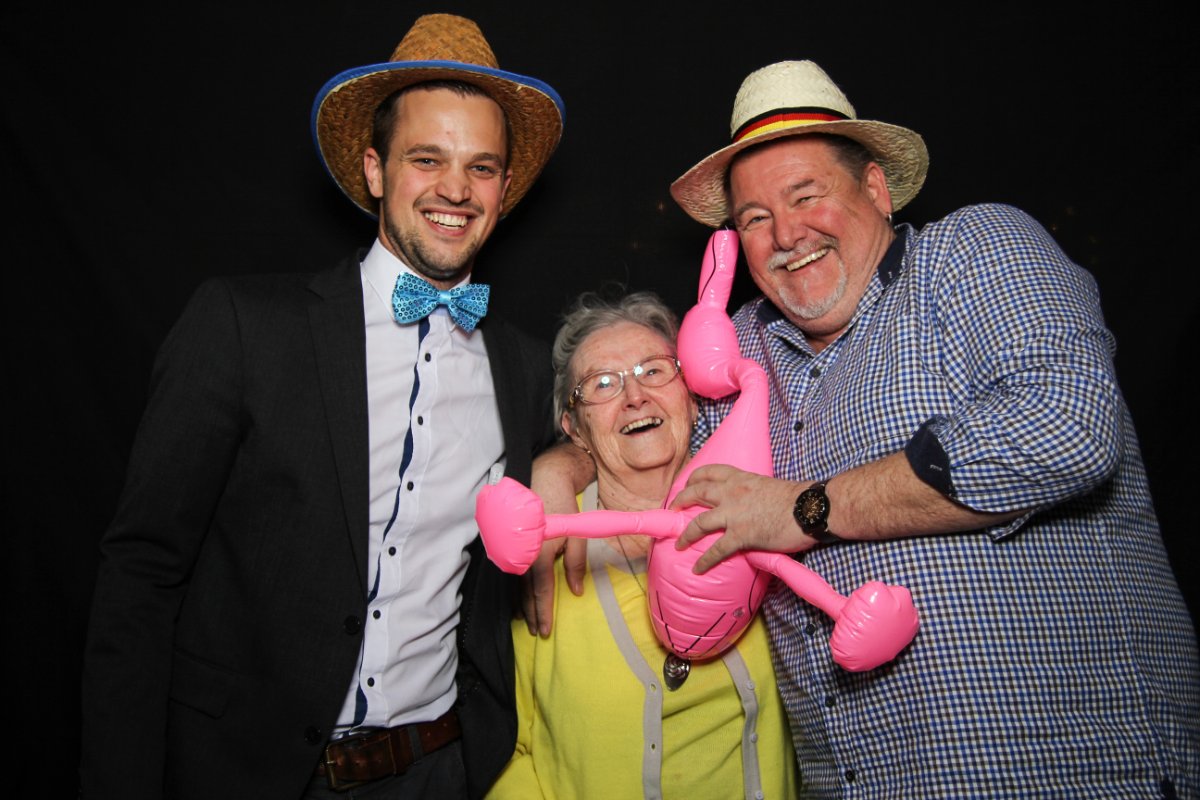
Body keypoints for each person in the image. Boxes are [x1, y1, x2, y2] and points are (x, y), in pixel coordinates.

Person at [536, 60, 1200, 797]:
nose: (787, 233)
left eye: (806, 195)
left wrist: (803, 510)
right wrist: (564, 464)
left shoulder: (971, 251)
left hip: (1061, 769)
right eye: (754, 218)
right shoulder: (741, 346)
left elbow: (1065, 428)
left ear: (876, 189)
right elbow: (643, 424)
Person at [79, 14, 563, 800]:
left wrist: (562, 466)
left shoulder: (524, 366)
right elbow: (141, 572)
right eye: (426, 159)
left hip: (438, 770)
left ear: (503, 190)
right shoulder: (243, 327)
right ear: (374, 169)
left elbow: (599, 440)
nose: (455, 190)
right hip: (244, 773)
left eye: (481, 167)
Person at [487, 291, 798, 799]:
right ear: (574, 429)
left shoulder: (759, 510)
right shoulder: (548, 547)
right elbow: (510, 748)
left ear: (692, 398)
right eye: (602, 384)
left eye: (654, 371)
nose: (635, 396)